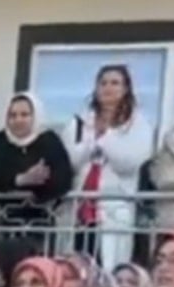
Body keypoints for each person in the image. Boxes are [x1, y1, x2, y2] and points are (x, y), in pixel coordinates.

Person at [61, 65, 155, 267]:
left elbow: (131, 162)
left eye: (115, 83)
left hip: (113, 208)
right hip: (80, 210)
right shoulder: (80, 121)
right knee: (78, 267)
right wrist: (91, 142)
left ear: (126, 89)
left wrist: (105, 137)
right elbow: (69, 160)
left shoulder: (137, 123)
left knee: (109, 265)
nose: (108, 88)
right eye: (103, 83)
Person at [0, 93, 75, 232]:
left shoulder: (49, 141)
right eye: (12, 115)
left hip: (41, 221)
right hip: (1, 221)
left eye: (24, 115)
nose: (18, 120)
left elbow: (63, 178)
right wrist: (20, 179)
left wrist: (39, 182)